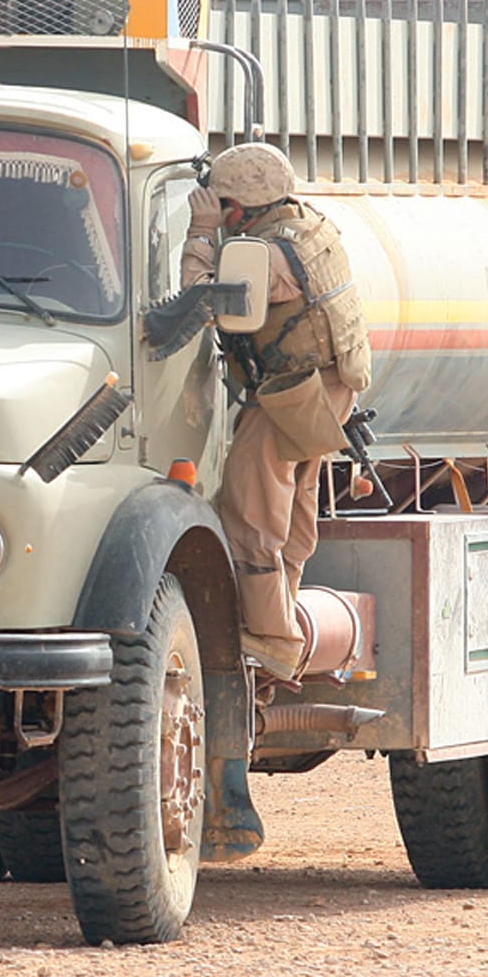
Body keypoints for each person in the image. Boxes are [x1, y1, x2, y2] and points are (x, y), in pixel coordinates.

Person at [181, 143, 371, 681]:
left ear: (238, 208)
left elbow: (200, 304)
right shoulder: (306, 228)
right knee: (293, 516)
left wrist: (199, 235)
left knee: (249, 514)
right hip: (321, 392)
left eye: (224, 207)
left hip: (290, 396)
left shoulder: (263, 257)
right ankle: (280, 618)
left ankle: (271, 637)